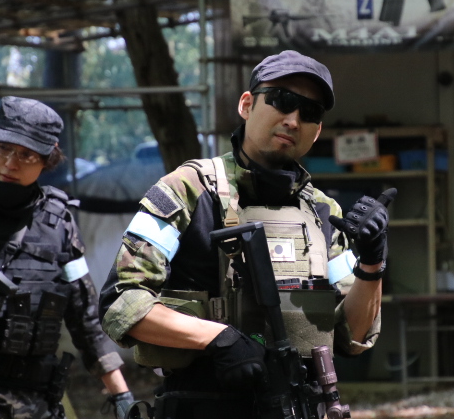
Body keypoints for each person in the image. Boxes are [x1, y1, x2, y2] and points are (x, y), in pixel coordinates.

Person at [98, 50, 395, 418]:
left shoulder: (323, 212)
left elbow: (353, 336)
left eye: (309, 112)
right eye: (281, 100)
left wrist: (371, 264)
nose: (293, 120)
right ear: (246, 105)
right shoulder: (187, 190)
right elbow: (121, 301)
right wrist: (216, 338)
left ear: (317, 131)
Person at [0, 97, 135, 419]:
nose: (10, 163)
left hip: (38, 401)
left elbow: (85, 317)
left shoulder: (59, 224)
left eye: (26, 154)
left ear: (47, 159)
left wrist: (122, 396)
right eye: (3, 148)